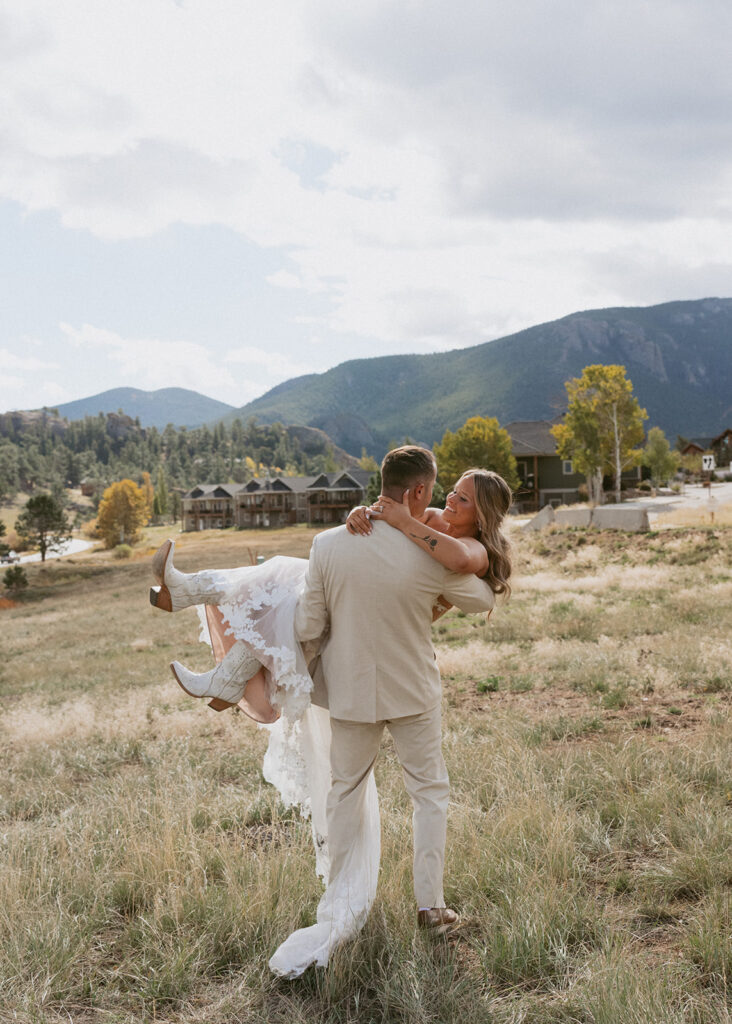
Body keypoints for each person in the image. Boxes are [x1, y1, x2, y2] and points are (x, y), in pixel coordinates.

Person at [149, 449, 512, 975]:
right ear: (418, 491)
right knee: (429, 793)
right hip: (412, 690)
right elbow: (480, 599)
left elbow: (305, 628)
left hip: (351, 691)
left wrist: (312, 617)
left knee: (344, 790)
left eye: (459, 497)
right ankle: (429, 905)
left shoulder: (335, 544)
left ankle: (341, 902)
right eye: (442, 491)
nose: (446, 500)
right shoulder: (431, 552)